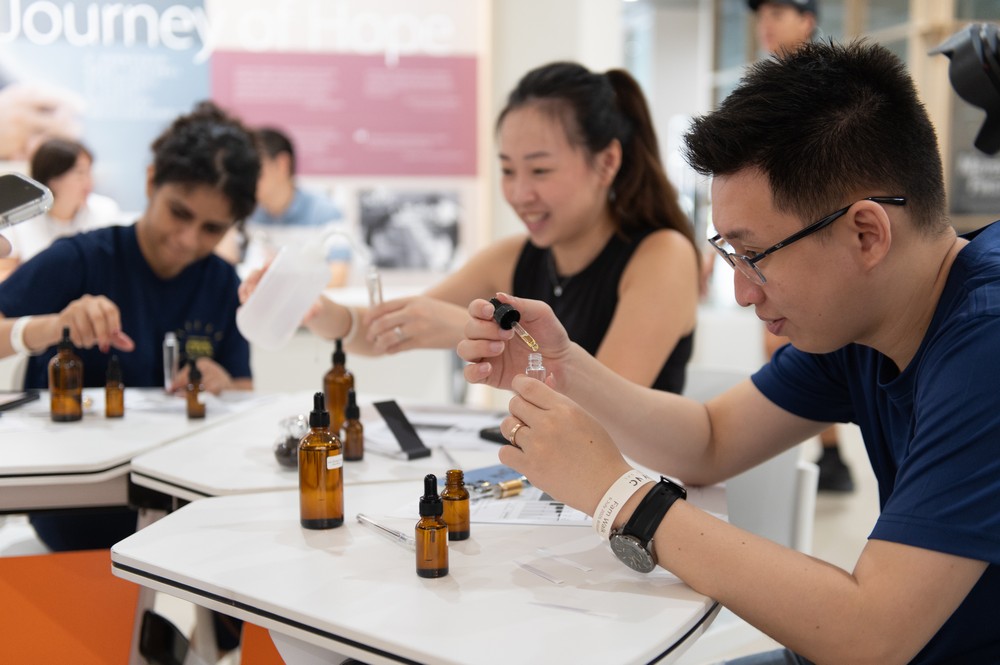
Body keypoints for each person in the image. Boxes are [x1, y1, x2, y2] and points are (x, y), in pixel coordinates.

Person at [459, 41, 999, 664]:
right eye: (730, 256)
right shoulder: (868, 318)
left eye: (756, 256)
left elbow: (869, 636)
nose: (742, 292)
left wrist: (619, 494)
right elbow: (712, 440)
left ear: (866, 233)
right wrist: (566, 366)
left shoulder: (985, 342)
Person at [243, 61, 700, 394]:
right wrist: (316, 309)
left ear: (607, 162)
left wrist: (471, 331)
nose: (520, 193)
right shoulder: (513, 258)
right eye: (507, 170)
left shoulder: (662, 257)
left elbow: (608, 411)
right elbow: (389, 330)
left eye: (540, 171)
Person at [0, 100, 259, 552]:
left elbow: (241, 385)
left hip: (186, 516)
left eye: (212, 228)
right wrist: (51, 328)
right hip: (77, 517)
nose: (187, 240)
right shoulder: (79, 259)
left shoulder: (221, 284)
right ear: (151, 180)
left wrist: (222, 382)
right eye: (179, 213)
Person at [746, 0, 853, 492]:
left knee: (791, 341)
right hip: (777, 242)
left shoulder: (825, 85)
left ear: (808, 19)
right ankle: (827, 456)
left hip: (812, 240)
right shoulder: (773, 87)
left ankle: (829, 457)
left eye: (778, 12)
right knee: (783, 342)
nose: (765, 24)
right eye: (761, 14)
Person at [219, 126, 351, 286]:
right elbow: (224, 269)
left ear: (282, 164)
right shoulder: (246, 212)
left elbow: (338, 276)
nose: (247, 178)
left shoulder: (324, 212)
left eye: (254, 169)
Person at [0, 138, 122, 281]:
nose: (89, 182)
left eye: (89, 172)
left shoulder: (105, 211)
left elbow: (117, 269)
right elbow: (5, 273)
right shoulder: (20, 217)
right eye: (80, 173)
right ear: (53, 179)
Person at [748, 0, 818, 56]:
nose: (765, 25)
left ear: (806, 22)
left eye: (776, 14)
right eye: (761, 16)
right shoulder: (746, 71)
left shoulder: (823, 72)